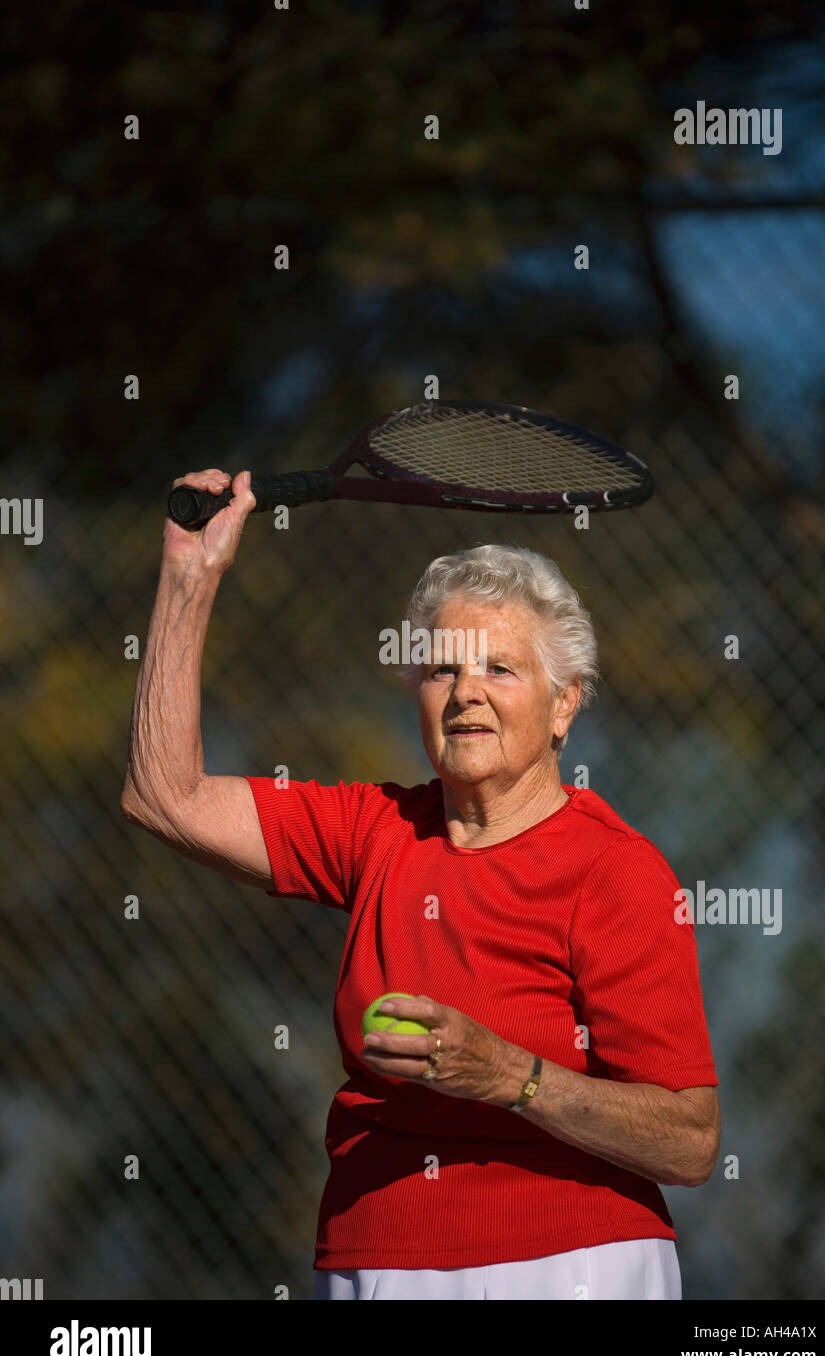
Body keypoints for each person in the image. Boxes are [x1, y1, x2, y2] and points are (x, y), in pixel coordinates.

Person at [122, 468, 720, 1301]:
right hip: (375, 1261)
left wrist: (512, 1076)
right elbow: (164, 794)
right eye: (440, 669)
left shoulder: (615, 869)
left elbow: (689, 1141)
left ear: (564, 706)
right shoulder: (377, 830)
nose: (465, 692)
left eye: (500, 671)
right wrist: (190, 576)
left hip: (571, 1266)